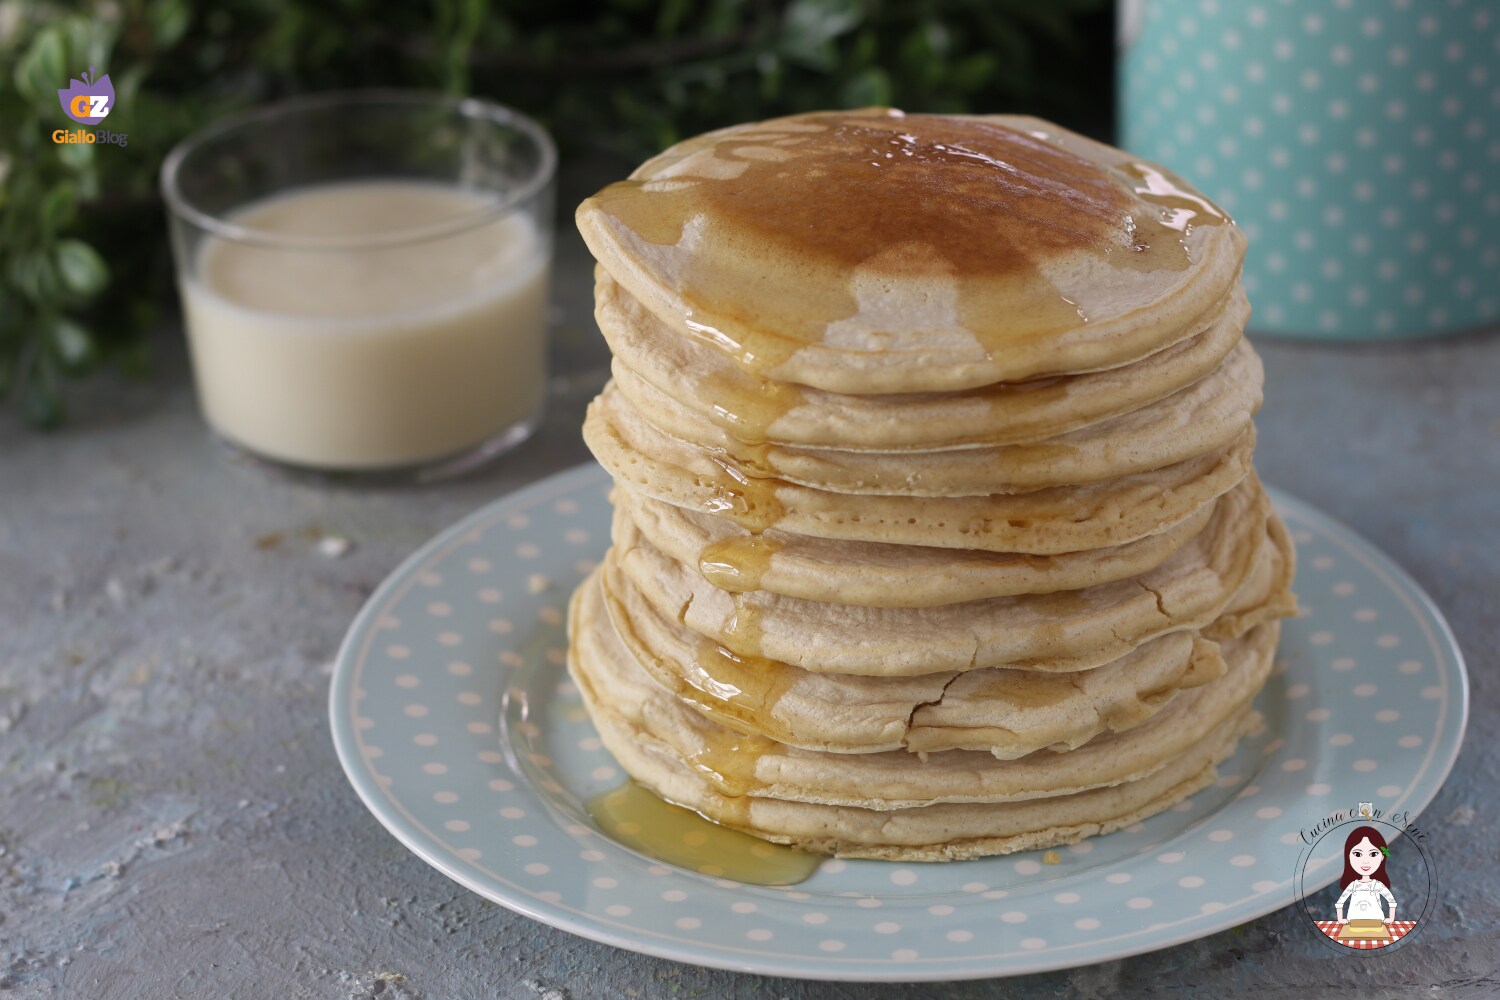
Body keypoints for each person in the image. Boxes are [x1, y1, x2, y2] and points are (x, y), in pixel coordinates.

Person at [1334, 825, 1397, 926]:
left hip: (1376, 923)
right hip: (1354, 923)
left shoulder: (1377, 885)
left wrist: (1390, 918)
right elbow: (1339, 903)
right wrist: (1341, 919)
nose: (1366, 861)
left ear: (1382, 857)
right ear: (1348, 857)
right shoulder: (1353, 885)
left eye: (1373, 854)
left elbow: (1391, 901)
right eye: (1358, 854)